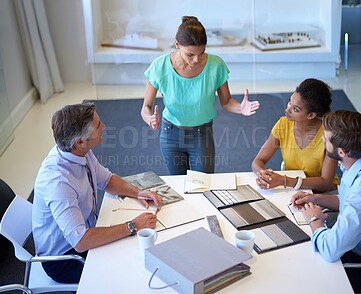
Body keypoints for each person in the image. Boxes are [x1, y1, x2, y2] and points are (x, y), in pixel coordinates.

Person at [32, 102, 163, 284]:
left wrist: (139, 192)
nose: (104, 127)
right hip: (65, 259)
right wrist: (132, 226)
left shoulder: (79, 152)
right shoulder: (57, 183)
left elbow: (107, 179)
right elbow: (81, 242)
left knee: (133, 251)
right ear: (80, 141)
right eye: (98, 126)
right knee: (129, 272)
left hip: (84, 235)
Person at [291, 110, 361, 293]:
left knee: (299, 275)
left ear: (341, 151)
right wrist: (315, 198)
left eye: (325, 139)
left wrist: (315, 220)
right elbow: (349, 201)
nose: (322, 141)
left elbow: (330, 249)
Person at [141, 16, 260, 175]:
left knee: (204, 186)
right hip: (170, 134)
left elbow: (226, 102)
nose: (196, 60)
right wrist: (150, 118)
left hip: (201, 135)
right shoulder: (159, 67)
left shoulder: (216, 65)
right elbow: (145, 108)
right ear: (177, 44)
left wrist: (240, 108)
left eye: (201, 52)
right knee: (179, 187)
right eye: (190, 54)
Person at [252, 78, 339, 193]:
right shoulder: (283, 124)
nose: (287, 110)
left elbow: (325, 183)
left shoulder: (329, 135)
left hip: (324, 194)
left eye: (295, 109)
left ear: (311, 115)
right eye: (289, 103)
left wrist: (284, 181)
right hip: (294, 190)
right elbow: (257, 161)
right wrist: (263, 175)